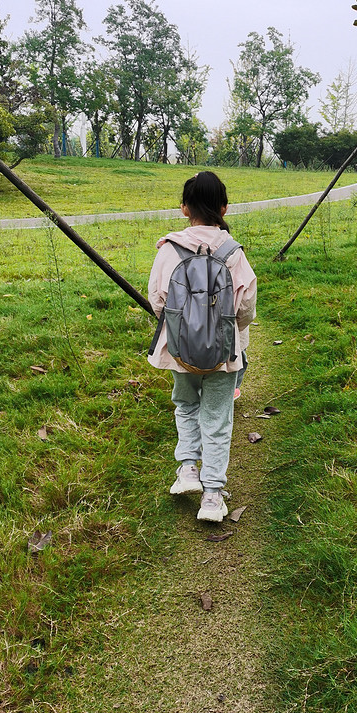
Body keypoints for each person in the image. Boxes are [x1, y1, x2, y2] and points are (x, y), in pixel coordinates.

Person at [147, 171, 257, 522]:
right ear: (224, 207)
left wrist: (184, 329)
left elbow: (158, 300)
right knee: (217, 417)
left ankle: (187, 470)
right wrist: (227, 333)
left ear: (184, 209)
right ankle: (212, 495)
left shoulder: (169, 250)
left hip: (181, 351)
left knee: (185, 404)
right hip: (224, 354)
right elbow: (246, 306)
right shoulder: (233, 253)